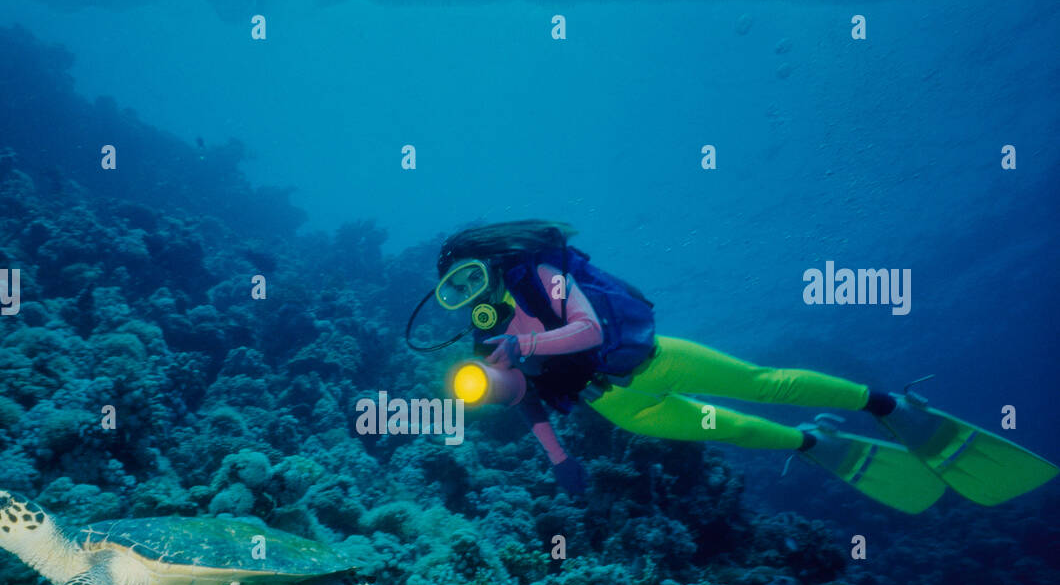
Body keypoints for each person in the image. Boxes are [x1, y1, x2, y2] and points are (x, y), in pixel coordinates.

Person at [406, 220, 1057, 513]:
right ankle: (815, 441)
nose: (471, 296)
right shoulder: (485, 340)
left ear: (489, 262)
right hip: (622, 406)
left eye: (469, 278)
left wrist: (528, 347)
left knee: (761, 384)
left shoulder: (539, 276)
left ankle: (887, 405)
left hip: (652, 363)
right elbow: (528, 398)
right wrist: (555, 455)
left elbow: (590, 328)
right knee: (734, 430)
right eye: (454, 293)